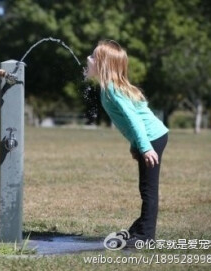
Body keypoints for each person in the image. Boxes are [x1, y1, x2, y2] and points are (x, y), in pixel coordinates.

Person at [84, 40, 169, 248]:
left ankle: (146, 237)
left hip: (152, 139)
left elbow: (135, 120)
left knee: (148, 189)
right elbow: (134, 118)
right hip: (149, 138)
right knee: (146, 188)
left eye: (93, 57)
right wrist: (135, 145)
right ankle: (140, 229)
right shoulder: (109, 88)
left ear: (103, 65)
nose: (88, 59)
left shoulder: (112, 89)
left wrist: (145, 147)